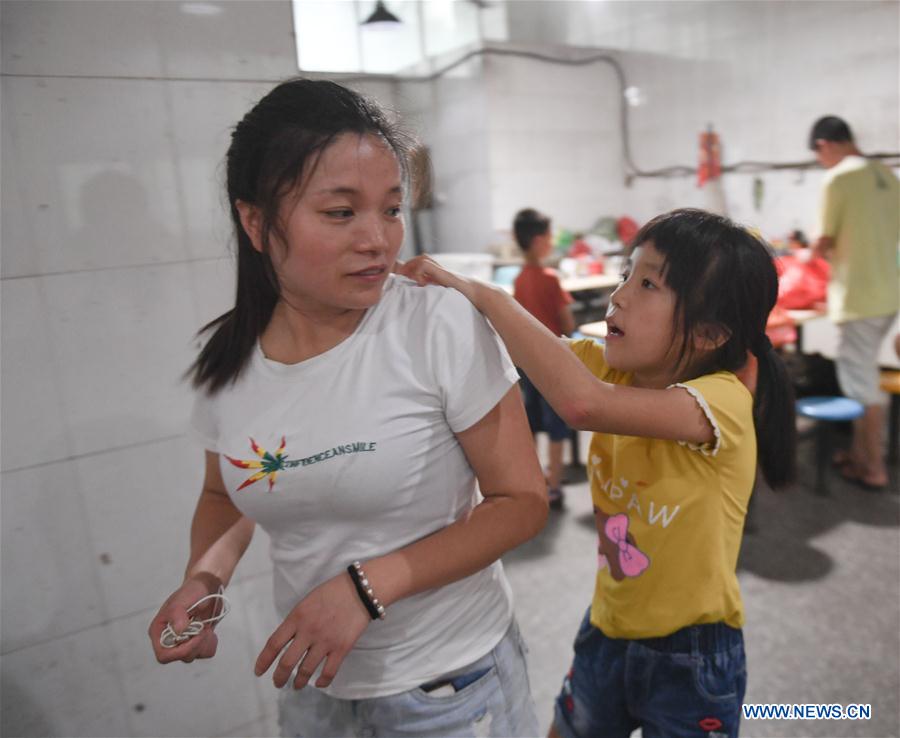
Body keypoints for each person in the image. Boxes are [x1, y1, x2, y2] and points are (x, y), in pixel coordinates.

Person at [147, 78, 548, 738]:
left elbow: (522, 501)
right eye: (341, 213)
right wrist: (204, 580)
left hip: (448, 686)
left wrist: (368, 586)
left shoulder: (437, 323)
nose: (378, 240)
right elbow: (225, 497)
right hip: (317, 694)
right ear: (255, 222)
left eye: (391, 210)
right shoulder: (229, 359)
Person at [399, 208, 797, 738]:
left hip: (693, 656)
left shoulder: (720, 401)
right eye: (626, 274)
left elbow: (582, 404)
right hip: (607, 630)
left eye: (649, 283)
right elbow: (538, 354)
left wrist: (485, 294)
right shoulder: (615, 365)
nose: (620, 295)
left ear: (707, 333)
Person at [809, 115, 899, 491]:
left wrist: (808, 253)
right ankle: (861, 455)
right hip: (888, 293)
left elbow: (824, 241)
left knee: (862, 386)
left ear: (824, 145)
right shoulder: (887, 176)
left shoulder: (839, 178)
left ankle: (872, 467)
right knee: (867, 380)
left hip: (859, 297)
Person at [512, 208, 575, 509]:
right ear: (538, 241)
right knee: (557, 425)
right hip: (552, 364)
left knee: (534, 421)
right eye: (550, 237)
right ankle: (555, 486)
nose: (552, 243)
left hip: (528, 363)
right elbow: (568, 324)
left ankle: (535, 480)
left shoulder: (520, 279)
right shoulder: (550, 279)